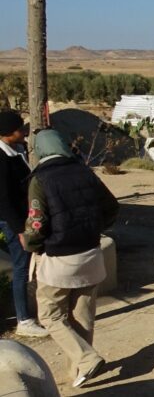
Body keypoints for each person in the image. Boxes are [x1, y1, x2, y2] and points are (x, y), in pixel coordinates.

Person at [20, 129, 119, 388]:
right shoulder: (84, 171)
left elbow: (37, 222)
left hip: (59, 261)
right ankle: (79, 372)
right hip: (92, 255)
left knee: (51, 316)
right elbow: (111, 207)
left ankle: (86, 360)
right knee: (82, 316)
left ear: (39, 150)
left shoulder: (40, 179)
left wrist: (30, 243)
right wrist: (94, 228)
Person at [0, 110, 48, 337]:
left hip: (21, 219)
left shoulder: (14, 151)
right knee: (20, 269)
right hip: (13, 222)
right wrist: (19, 229)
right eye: (20, 128)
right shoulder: (2, 159)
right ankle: (24, 320)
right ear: (8, 132)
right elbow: (4, 200)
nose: (24, 131)